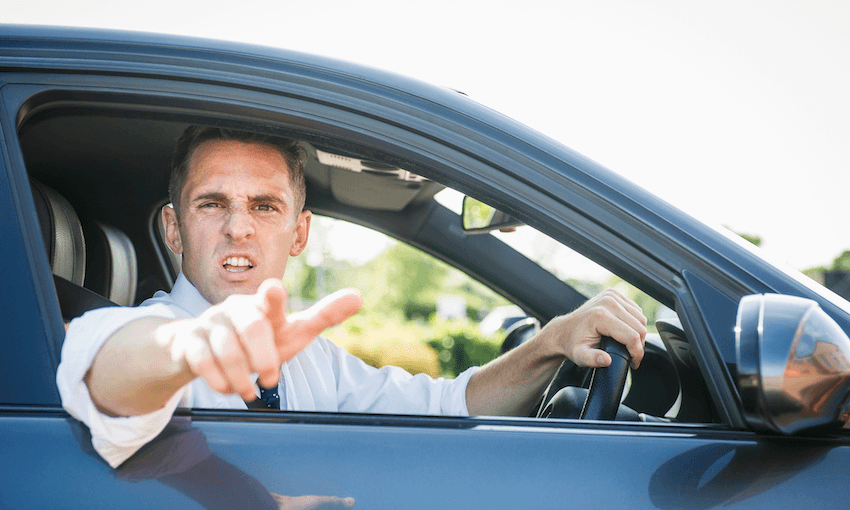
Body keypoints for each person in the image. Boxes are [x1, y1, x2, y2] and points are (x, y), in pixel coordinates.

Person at [57, 126, 647, 468]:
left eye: (265, 206)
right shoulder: (152, 333)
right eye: (212, 204)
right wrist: (191, 345)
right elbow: (102, 371)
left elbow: (447, 407)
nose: (239, 228)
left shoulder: (311, 359)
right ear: (174, 229)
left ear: (300, 232)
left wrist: (550, 343)